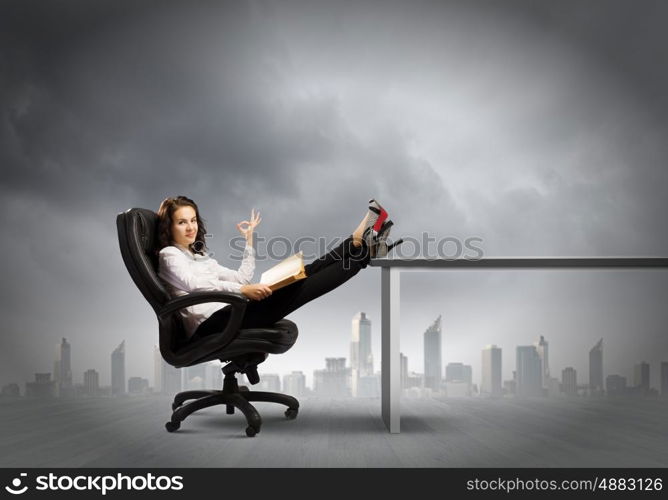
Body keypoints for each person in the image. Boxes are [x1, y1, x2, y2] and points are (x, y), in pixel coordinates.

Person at [156, 195, 397, 341]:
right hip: (212, 324)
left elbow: (242, 277)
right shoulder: (169, 255)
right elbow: (194, 285)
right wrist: (243, 292)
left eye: (193, 220)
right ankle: (365, 253)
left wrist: (249, 239)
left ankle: (356, 242)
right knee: (303, 287)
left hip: (232, 311)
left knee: (304, 272)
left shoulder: (199, 257)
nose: (190, 227)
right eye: (181, 222)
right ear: (169, 227)